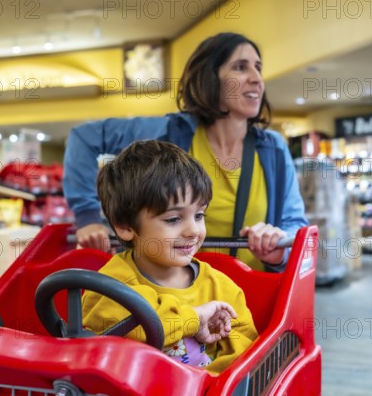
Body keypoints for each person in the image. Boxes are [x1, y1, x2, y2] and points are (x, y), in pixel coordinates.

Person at [63, 32, 308, 272]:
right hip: (170, 299)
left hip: (252, 298)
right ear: (210, 78)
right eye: (241, 67)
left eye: (258, 67)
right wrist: (87, 217)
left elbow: (295, 225)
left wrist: (279, 250)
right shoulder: (170, 133)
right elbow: (84, 138)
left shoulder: (273, 148)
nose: (257, 78)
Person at [81, 140, 258, 375]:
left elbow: (244, 356)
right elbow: (136, 326)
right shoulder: (110, 286)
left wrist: (203, 384)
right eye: (173, 219)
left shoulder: (222, 289)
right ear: (124, 226)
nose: (193, 231)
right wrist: (195, 317)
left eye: (199, 215)